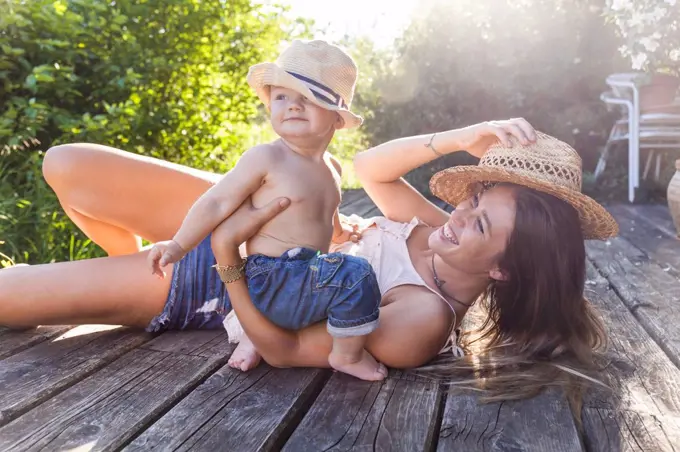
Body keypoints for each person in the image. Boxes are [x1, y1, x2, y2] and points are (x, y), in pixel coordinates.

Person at [0, 118, 617, 401]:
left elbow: (282, 348)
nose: (454, 215)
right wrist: (457, 140)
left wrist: (225, 257)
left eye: (478, 220)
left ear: (506, 269)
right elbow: (373, 167)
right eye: (473, 200)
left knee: (9, 295)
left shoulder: (420, 320)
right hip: (268, 213)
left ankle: (113, 287)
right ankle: (115, 267)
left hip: (210, 279)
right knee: (67, 165)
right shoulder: (440, 231)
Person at [144, 39, 386, 381]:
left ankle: (252, 337)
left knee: (332, 283)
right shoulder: (268, 157)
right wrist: (178, 244)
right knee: (356, 276)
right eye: (282, 97)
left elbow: (326, 212)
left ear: (336, 118)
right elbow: (217, 200)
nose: (293, 106)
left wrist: (341, 233)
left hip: (300, 278)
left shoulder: (331, 167)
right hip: (271, 276)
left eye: (307, 98)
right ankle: (346, 355)